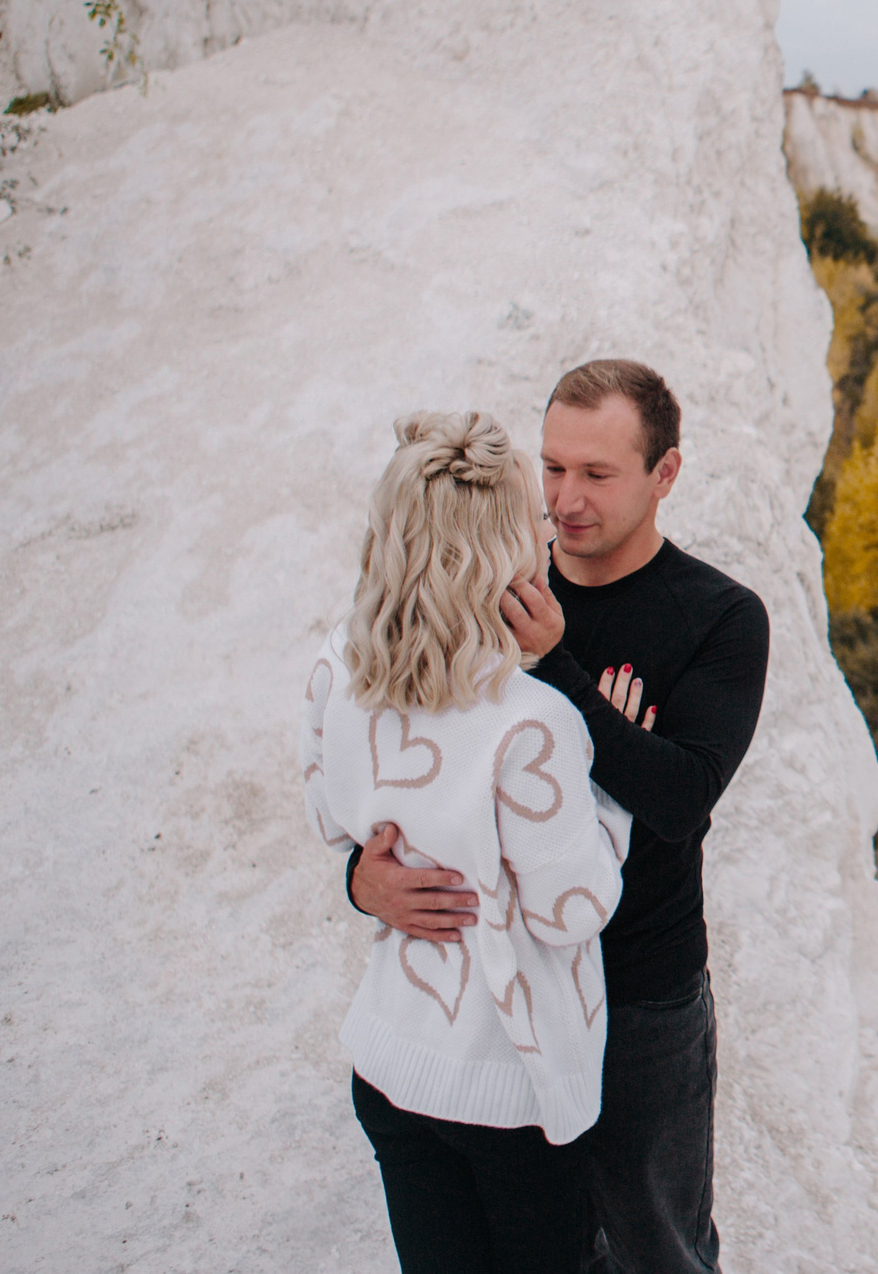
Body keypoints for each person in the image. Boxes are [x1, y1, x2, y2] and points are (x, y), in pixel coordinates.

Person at [350, 360, 772, 1274]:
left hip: (639, 995)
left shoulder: (722, 617)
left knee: (656, 1243)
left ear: (665, 475)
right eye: (551, 468)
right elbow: (395, 759)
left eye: (597, 474)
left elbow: (679, 798)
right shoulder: (491, 580)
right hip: (506, 995)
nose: (564, 499)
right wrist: (357, 877)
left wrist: (561, 671)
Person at [304, 412, 632, 1273]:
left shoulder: (340, 666)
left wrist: (367, 881)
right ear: (495, 552)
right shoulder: (532, 722)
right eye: (531, 517)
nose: (548, 527)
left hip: (389, 1057)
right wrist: (613, 795)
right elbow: (574, 908)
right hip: (507, 1085)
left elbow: (332, 820)